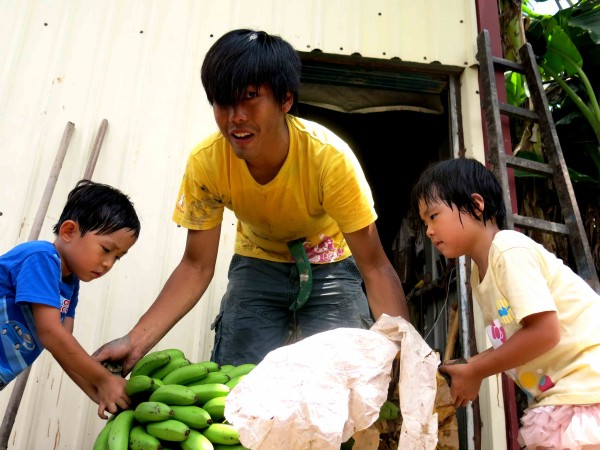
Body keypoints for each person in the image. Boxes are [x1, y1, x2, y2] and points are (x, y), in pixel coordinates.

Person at [92, 28, 409, 373]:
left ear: (285, 100)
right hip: (257, 260)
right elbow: (196, 266)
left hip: (330, 262)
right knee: (236, 384)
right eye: (223, 101)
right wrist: (135, 341)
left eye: (250, 97)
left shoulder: (330, 159)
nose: (235, 116)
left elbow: (375, 267)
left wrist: (403, 353)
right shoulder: (207, 163)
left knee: (346, 381)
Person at [411, 157, 600, 449]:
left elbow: (544, 332)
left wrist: (475, 368)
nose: (428, 231)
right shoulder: (480, 273)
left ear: (476, 206)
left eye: (433, 216)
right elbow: (519, 337)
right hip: (570, 392)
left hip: (589, 386)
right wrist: (470, 366)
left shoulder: (508, 250)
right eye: (424, 223)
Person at [0, 180, 141, 419]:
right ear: (68, 231)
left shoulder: (69, 284)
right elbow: (51, 334)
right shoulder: (41, 258)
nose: (108, 263)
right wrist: (104, 379)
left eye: (118, 257)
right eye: (106, 249)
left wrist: (97, 391)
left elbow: (61, 345)